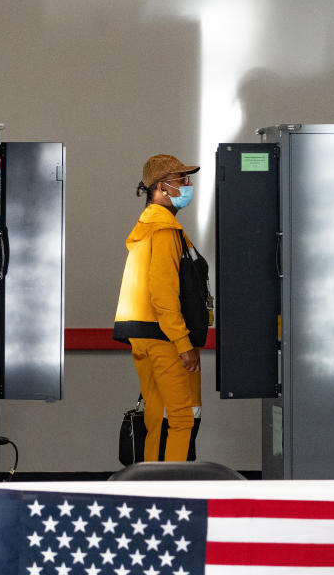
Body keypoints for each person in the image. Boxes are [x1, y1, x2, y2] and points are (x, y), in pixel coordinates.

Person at [113, 154, 202, 462]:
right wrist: (182, 341)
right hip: (163, 335)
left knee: (155, 417)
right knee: (180, 420)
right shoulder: (164, 229)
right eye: (181, 180)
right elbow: (163, 291)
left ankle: (146, 487)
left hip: (140, 334)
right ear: (162, 188)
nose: (188, 185)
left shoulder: (145, 226)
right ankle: (172, 494)